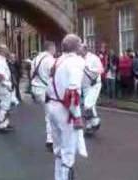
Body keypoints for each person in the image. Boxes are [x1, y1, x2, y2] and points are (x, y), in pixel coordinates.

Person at [46, 34, 87, 180]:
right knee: (68, 150)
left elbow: (49, 87)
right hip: (66, 110)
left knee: (58, 150)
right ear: (75, 47)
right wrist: (76, 116)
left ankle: (58, 177)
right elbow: (73, 92)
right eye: (81, 43)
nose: (83, 46)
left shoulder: (57, 61)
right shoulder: (76, 62)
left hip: (52, 106)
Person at [31, 41, 57, 151]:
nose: (55, 50)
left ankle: (52, 138)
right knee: (50, 116)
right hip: (46, 91)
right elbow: (55, 75)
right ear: (51, 48)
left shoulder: (35, 59)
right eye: (54, 48)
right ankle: (50, 140)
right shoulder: (50, 60)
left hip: (36, 89)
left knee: (49, 114)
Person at [80, 44, 104, 135]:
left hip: (94, 84)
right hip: (84, 86)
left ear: (85, 50)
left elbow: (101, 70)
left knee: (87, 104)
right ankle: (89, 126)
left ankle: (96, 121)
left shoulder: (94, 58)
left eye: (80, 49)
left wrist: (89, 68)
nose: (78, 51)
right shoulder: (78, 59)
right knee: (89, 105)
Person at [0, 44, 14, 133]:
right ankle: (2, 125)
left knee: (7, 105)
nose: (8, 50)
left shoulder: (1, 60)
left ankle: (6, 123)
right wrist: (7, 85)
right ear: (2, 51)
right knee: (5, 106)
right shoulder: (0, 62)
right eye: (6, 49)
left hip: (4, 87)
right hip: (3, 87)